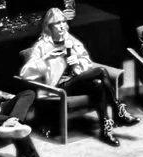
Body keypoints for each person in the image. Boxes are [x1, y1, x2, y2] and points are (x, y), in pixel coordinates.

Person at [21, 9, 135, 145]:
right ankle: (118, 111)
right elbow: (25, 73)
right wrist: (45, 59)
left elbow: (87, 62)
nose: (62, 26)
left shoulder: (70, 40)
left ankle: (106, 130)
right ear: (49, 26)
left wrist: (77, 61)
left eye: (64, 22)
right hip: (57, 88)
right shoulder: (42, 46)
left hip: (75, 82)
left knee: (98, 83)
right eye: (57, 23)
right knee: (101, 71)